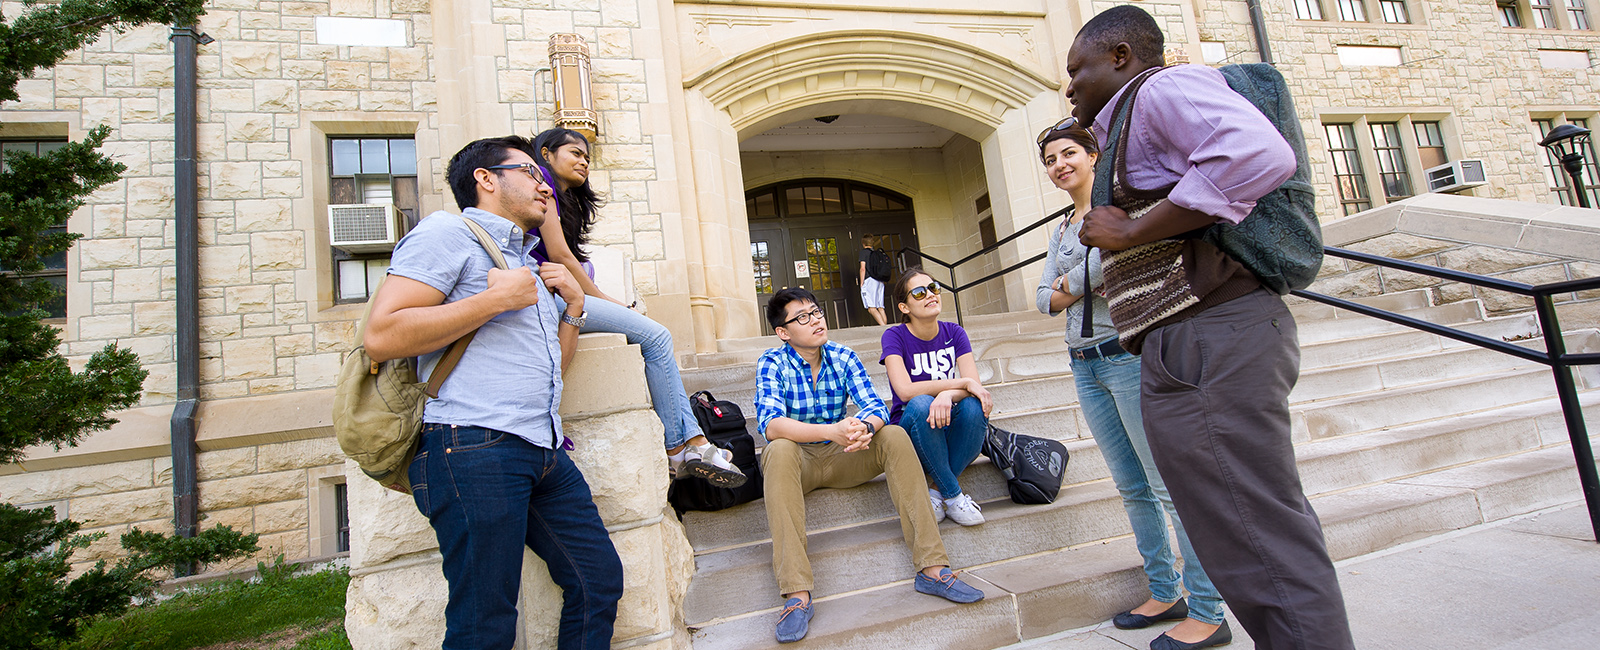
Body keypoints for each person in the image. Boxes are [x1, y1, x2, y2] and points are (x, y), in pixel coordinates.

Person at [1067, 6, 1355, 650]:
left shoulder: (1163, 87)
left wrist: (1133, 229)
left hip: (1211, 335)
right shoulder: (1132, 116)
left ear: (1120, 55)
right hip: (1186, 342)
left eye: (1075, 70)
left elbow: (1256, 154)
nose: (1069, 86)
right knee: (1234, 530)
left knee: (1257, 532)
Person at [363, 135, 622, 649]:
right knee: (485, 622)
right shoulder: (447, 233)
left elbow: (553, 370)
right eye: (529, 171)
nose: (544, 183)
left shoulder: (528, 262)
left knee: (598, 580)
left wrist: (572, 308)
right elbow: (382, 334)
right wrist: (491, 301)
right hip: (472, 445)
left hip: (541, 448)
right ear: (486, 179)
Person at [1034, 121, 1228, 649]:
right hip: (1083, 363)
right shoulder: (1059, 229)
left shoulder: (1117, 206)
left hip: (1124, 356)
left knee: (1168, 487)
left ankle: (1210, 610)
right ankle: (1166, 592)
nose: (1060, 165)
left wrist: (1067, 283)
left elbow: (1106, 264)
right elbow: (1039, 299)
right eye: (1050, 160)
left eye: (1069, 152)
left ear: (1093, 154)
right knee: (1131, 487)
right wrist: (1069, 284)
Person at [755, 287, 985, 643]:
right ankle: (796, 595)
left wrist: (864, 428)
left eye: (816, 312)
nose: (815, 320)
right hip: (799, 463)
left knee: (892, 434)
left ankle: (933, 569)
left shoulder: (843, 355)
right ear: (783, 332)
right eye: (802, 317)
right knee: (778, 450)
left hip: (844, 457)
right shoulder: (773, 362)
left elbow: (875, 406)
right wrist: (832, 431)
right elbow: (770, 423)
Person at [529, 128, 744, 488]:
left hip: (558, 293)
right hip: (549, 296)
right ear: (547, 153)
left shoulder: (564, 199)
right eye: (574, 153)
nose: (583, 161)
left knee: (658, 342)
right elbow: (561, 256)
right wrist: (611, 303)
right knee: (657, 336)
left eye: (586, 157)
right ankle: (680, 450)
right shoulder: (543, 187)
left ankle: (695, 444)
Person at [880, 266, 993, 526]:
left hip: (947, 420)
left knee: (974, 406)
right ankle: (954, 497)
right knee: (920, 403)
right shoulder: (894, 336)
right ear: (904, 307)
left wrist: (946, 394)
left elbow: (974, 387)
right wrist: (958, 385)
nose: (930, 295)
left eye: (933, 288)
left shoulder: (955, 333)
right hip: (913, 426)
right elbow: (905, 391)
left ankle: (934, 491)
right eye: (919, 293)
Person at [859, 234, 889, 326]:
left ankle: (883, 328)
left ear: (863, 243)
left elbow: (862, 268)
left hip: (870, 280)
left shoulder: (863, 253)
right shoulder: (876, 253)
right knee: (880, 307)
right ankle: (886, 327)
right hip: (879, 280)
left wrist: (861, 282)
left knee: (871, 308)